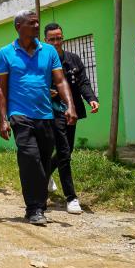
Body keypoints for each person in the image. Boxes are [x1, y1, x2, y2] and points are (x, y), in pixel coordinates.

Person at [0, 10, 76, 226]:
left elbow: (60, 82)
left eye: (37, 22)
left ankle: (39, 204)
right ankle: (34, 208)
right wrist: (3, 119)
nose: (37, 25)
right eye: (32, 23)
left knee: (43, 160)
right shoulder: (5, 53)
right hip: (19, 114)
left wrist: (70, 105)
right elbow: (1, 89)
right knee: (29, 158)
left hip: (45, 115)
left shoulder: (48, 51)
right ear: (18, 26)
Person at [43, 22, 99, 214]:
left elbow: (83, 81)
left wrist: (91, 98)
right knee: (65, 152)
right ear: (45, 40)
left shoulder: (73, 59)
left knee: (67, 150)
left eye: (59, 38)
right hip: (51, 112)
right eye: (52, 39)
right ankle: (71, 197)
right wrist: (45, 92)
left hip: (71, 111)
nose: (57, 42)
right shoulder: (43, 62)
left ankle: (44, 174)